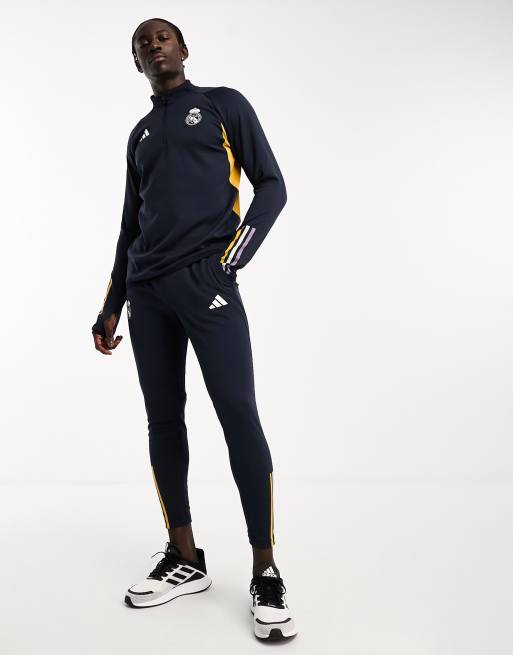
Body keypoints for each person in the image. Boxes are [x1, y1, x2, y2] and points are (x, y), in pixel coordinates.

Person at [91, 17, 297, 641]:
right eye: (141, 43)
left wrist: (232, 258)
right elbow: (130, 226)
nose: (152, 45)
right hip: (147, 294)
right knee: (163, 421)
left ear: (183, 48)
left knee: (238, 415)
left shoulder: (222, 106)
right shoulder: (139, 135)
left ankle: (265, 570)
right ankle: (184, 556)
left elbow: (272, 186)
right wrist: (111, 304)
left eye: (162, 37)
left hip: (207, 282)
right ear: (136, 64)